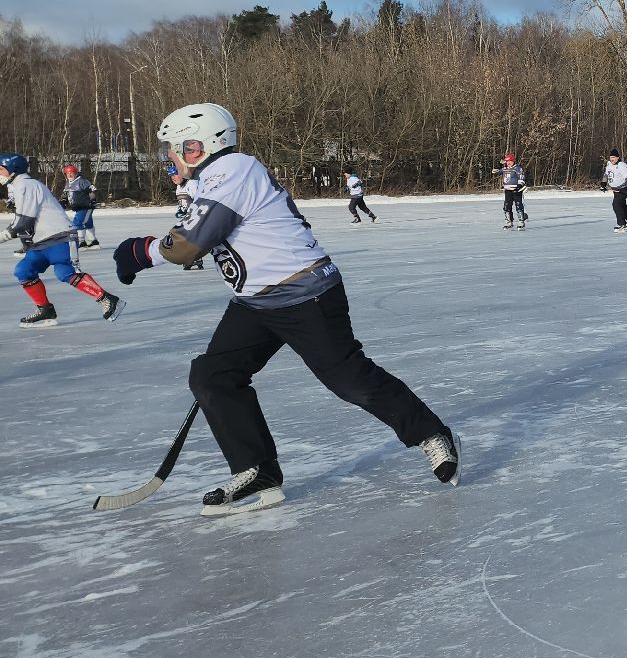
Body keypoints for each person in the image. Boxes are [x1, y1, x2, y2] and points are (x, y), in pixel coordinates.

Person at [111, 103, 459, 515]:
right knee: (213, 375)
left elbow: (188, 244)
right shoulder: (210, 179)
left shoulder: (233, 170)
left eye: (175, 147)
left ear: (199, 145)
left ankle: (430, 433)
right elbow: (194, 239)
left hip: (306, 294)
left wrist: (139, 251)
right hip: (255, 303)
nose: (169, 156)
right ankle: (256, 470)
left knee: (351, 382)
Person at [2, 153, 124, 328]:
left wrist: (4, 236)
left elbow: (23, 221)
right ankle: (45, 310)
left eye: (1, 169)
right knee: (24, 270)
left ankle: (107, 299)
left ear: (13, 170)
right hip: (40, 242)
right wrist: (26, 245)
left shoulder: (26, 184)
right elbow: (24, 222)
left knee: (65, 273)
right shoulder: (17, 186)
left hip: (60, 238)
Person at [167, 166, 207, 270]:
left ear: (182, 174)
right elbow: (183, 202)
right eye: (171, 176)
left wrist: (192, 210)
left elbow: (202, 201)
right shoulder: (179, 187)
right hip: (189, 219)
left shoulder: (192, 184)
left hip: (198, 217)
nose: (173, 178)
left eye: (175, 175)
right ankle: (194, 259)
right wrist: (181, 209)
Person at [62, 164, 100, 248]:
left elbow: (92, 190)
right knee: (87, 223)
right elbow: (66, 194)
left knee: (78, 222)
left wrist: (93, 200)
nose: (69, 175)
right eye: (67, 173)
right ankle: (92, 241)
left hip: (86, 206)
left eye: (71, 173)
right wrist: (64, 201)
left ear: (76, 173)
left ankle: (80, 242)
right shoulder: (68, 183)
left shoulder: (81, 181)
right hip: (78, 207)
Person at [603, 149, 627, 232]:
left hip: (623, 189)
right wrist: (603, 185)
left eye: (613, 157)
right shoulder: (609, 165)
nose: (612, 159)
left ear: (618, 157)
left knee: (616, 204)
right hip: (615, 190)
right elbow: (606, 175)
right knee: (622, 205)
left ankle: (621, 224)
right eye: (611, 157)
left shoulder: (621, 165)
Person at [497, 154, 528, 229]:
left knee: (518, 205)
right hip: (507, 190)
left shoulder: (517, 168)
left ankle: (521, 221)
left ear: (513, 161)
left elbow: (521, 177)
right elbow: (495, 171)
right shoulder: (505, 168)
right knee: (507, 206)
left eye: (510, 161)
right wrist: (499, 164)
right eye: (507, 161)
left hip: (516, 190)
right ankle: (509, 221)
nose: (508, 163)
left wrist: (519, 186)